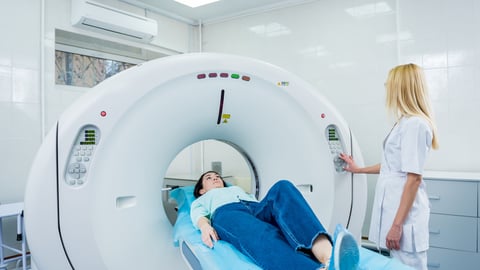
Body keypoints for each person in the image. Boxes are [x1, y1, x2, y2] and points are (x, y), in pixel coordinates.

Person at [339, 63, 439, 270]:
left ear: (401, 87)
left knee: (408, 267)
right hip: (398, 214)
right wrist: (358, 169)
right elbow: (393, 166)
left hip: (405, 220)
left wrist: (396, 226)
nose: (386, 87)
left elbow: (414, 178)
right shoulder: (405, 122)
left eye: (389, 84)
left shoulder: (415, 125)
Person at [190, 170, 359, 270]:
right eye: (209, 178)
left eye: (217, 176)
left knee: (282, 187)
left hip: (254, 207)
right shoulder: (202, 200)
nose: (215, 177)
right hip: (227, 212)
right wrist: (205, 227)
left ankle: (329, 257)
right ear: (202, 190)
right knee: (262, 233)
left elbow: (263, 205)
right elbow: (198, 216)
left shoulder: (236, 189)